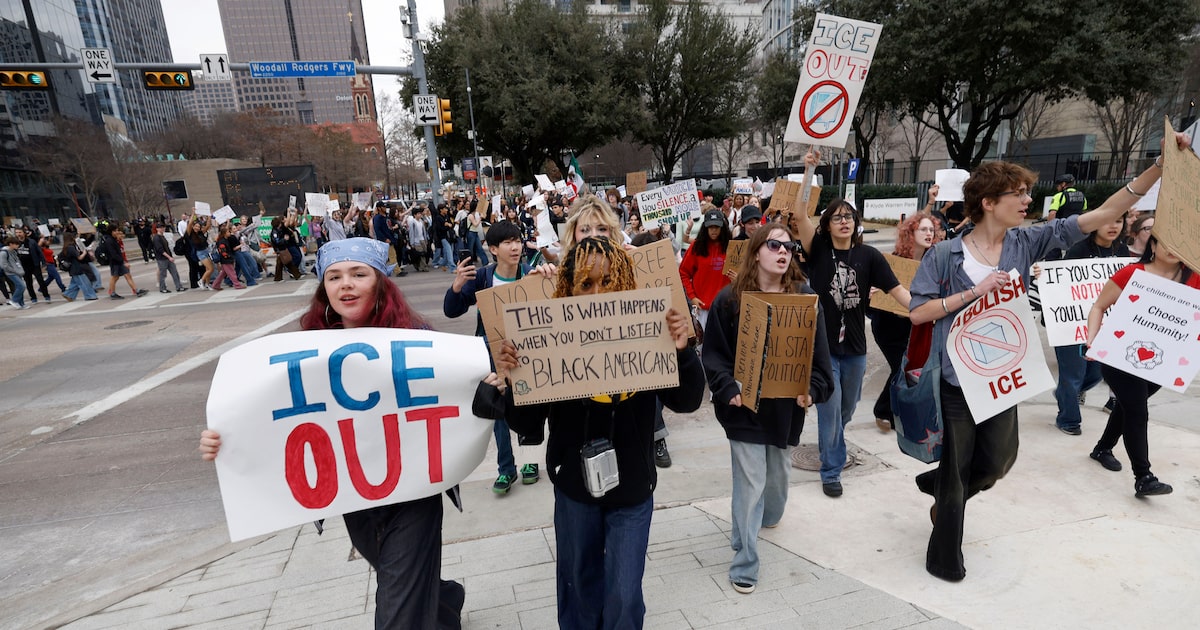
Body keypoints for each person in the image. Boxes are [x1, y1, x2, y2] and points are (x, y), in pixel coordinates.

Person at [907, 133, 1186, 582]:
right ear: (988, 202)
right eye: (1017, 194)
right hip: (957, 377)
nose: (1027, 200)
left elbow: (1104, 213)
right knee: (958, 470)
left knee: (998, 462)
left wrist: (1157, 170)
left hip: (1002, 377)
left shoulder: (1028, 241)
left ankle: (939, 487)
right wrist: (973, 293)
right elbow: (918, 312)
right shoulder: (945, 253)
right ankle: (944, 557)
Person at [199, 238, 467, 629]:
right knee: (401, 577)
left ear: (380, 282)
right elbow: (268, 419)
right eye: (335, 276)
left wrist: (487, 384)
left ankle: (434, 604)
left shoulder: (415, 338)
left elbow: (456, 390)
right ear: (323, 288)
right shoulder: (306, 351)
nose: (346, 285)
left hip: (413, 494)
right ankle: (445, 600)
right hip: (353, 495)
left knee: (398, 605)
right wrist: (223, 439)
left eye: (359, 274)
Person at [494, 236, 704, 629]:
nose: (596, 294)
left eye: (606, 283)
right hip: (574, 489)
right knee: (579, 589)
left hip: (632, 488)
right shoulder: (551, 341)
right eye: (585, 285)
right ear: (568, 290)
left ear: (623, 285)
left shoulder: (647, 330)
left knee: (625, 595)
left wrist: (682, 350)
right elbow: (526, 427)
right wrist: (514, 378)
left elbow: (688, 401)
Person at [701, 225, 834, 594]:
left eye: (789, 246)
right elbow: (713, 356)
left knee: (774, 485)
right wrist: (727, 389)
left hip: (784, 414)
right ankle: (745, 560)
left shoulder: (806, 300)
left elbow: (820, 363)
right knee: (750, 483)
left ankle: (759, 519)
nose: (783, 251)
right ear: (756, 251)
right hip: (742, 411)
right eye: (774, 244)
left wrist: (813, 392)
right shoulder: (729, 300)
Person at [793, 194, 910, 498]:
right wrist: (808, 169)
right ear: (827, 225)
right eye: (837, 217)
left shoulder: (869, 256)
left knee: (846, 409)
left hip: (856, 350)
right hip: (822, 348)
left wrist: (928, 313)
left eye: (848, 217)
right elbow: (799, 212)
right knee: (831, 410)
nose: (844, 222)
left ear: (856, 223)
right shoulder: (818, 251)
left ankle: (831, 440)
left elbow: (899, 292)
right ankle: (831, 469)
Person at [444, 221, 548, 494]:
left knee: (528, 405)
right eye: (507, 243)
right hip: (490, 353)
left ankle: (530, 463)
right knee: (498, 412)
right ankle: (506, 470)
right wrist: (456, 287)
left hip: (526, 353)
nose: (515, 247)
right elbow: (451, 311)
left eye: (517, 240)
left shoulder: (530, 273)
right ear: (493, 249)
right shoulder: (482, 278)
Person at [1084, 233, 1188, 498]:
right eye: (1166, 240)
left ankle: (1102, 448)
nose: (1172, 247)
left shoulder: (1194, 278)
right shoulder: (1132, 272)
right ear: (1153, 244)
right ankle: (1144, 476)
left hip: (1162, 362)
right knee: (1137, 410)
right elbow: (1098, 306)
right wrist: (1091, 340)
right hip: (1119, 355)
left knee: (1129, 406)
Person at [1052, 211, 1128, 435]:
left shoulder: (1122, 251)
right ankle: (1068, 419)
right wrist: (1042, 274)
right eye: (1107, 221)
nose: (1113, 226)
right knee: (1073, 373)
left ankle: (1065, 394)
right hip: (1072, 325)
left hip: (1104, 323)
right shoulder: (1079, 249)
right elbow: (1060, 280)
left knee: (1096, 373)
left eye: (1118, 220)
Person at [869, 208, 943, 433]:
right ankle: (884, 410)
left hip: (914, 324)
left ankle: (890, 411)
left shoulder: (935, 261)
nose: (929, 233)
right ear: (911, 233)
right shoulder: (897, 261)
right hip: (889, 324)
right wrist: (872, 291)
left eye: (931, 229)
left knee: (906, 367)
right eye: (923, 229)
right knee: (899, 367)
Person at [679, 209, 732, 329]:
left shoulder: (732, 247)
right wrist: (692, 297)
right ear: (705, 228)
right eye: (710, 227)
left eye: (717, 227)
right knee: (705, 346)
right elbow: (683, 273)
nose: (713, 230)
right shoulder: (696, 246)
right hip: (703, 308)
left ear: (722, 228)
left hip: (726, 307)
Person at [101, 225, 148, 299]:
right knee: (115, 277)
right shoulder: (109, 241)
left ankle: (136, 290)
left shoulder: (113, 239)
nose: (117, 232)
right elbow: (113, 254)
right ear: (112, 231)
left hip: (119, 261)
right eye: (116, 231)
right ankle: (112, 293)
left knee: (127, 275)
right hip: (115, 262)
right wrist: (123, 262)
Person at [17, 227, 51, 304]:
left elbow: (39, 252)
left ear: (24, 233)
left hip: (34, 264)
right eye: (17, 233)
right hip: (23, 266)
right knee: (28, 283)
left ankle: (46, 296)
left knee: (40, 281)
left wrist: (43, 263)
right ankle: (33, 298)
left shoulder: (31, 242)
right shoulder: (16, 243)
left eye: (20, 232)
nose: (18, 234)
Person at [209, 223, 247, 291]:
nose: (229, 233)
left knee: (223, 273)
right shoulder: (222, 241)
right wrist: (228, 256)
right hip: (226, 259)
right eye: (228, 232)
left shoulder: (224, 240)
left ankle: (215, 285)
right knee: (232, 273)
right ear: (224, 233)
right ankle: (237, 285)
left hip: (226, 259)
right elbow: (223, 252)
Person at [150, 223, 187, 293]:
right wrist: (169, 257)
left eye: (163, 227)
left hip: (168, 258)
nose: (162, 229)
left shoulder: (162, 236)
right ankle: (162, 288)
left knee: (174, 272)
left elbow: (167, 248)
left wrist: (170, 256)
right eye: (160, 228)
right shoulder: (156, 238)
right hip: (162, 259)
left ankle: (179, 286)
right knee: (163, 274)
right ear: (157, 229)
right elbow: (160, 250)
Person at [60, 236, 98, 301]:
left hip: (73, 268)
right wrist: (84, 252)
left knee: (75, 284)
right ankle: (90, 295)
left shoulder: (66, 248)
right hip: (77, 268)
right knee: (85, 283)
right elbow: (79, 257)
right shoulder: (71, 248)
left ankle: (68, 294)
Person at [1, 236, 29, 309]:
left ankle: (21, 303)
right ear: (10, 244)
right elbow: (4, 265)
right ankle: (14, 300)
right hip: (11, 273)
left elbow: (17, 261)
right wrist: (14, 270)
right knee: (21, 286)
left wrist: (20, 270)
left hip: (18, 271)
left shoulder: (13, 251)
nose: (17, 245)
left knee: (19, 287)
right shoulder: (3, 253)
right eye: (16, 244)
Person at [189, 218, 215, 289]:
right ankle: (201, 281)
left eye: (198, 226)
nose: (197, 227)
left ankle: (207, 284)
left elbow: (208, 225)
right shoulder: (191, 234)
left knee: (208, 269)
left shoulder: (201, 233)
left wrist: (209, 217)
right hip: (200, 253)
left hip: (206, 251)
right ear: (193, 226)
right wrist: (193, 213)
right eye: (195, 226)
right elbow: (190, 223)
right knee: (210, 269)